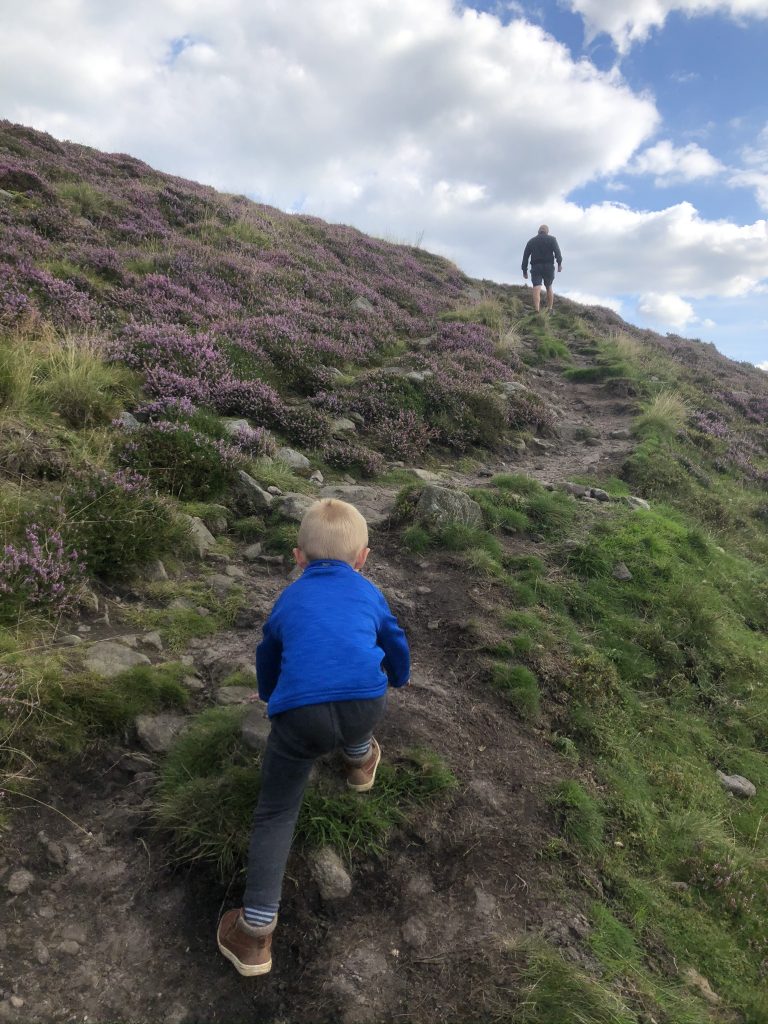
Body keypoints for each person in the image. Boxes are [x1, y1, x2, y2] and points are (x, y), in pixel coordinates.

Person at [216, 498, 411, 977]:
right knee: (358, 708)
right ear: (363, 558)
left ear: (297, 556)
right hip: (366, 701)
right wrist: (399, 677)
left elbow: (269, 649)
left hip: (300, 718)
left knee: (278, 810)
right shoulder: (369, 592)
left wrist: (267, 694)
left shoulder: (289, 598)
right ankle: (359, 761)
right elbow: (394, 640)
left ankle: (255, 932)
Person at [521, 224, 563, 313]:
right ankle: (550, 309)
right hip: (549, 266)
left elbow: (525, 257)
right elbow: (557, 252)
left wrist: (524, 270)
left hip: (536, 267)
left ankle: (537, 310)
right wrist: (559, 264)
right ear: (547, 231)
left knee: (536, 287)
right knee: (549, 286)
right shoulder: (552, 239)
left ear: (538, 231)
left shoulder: (531, 241)